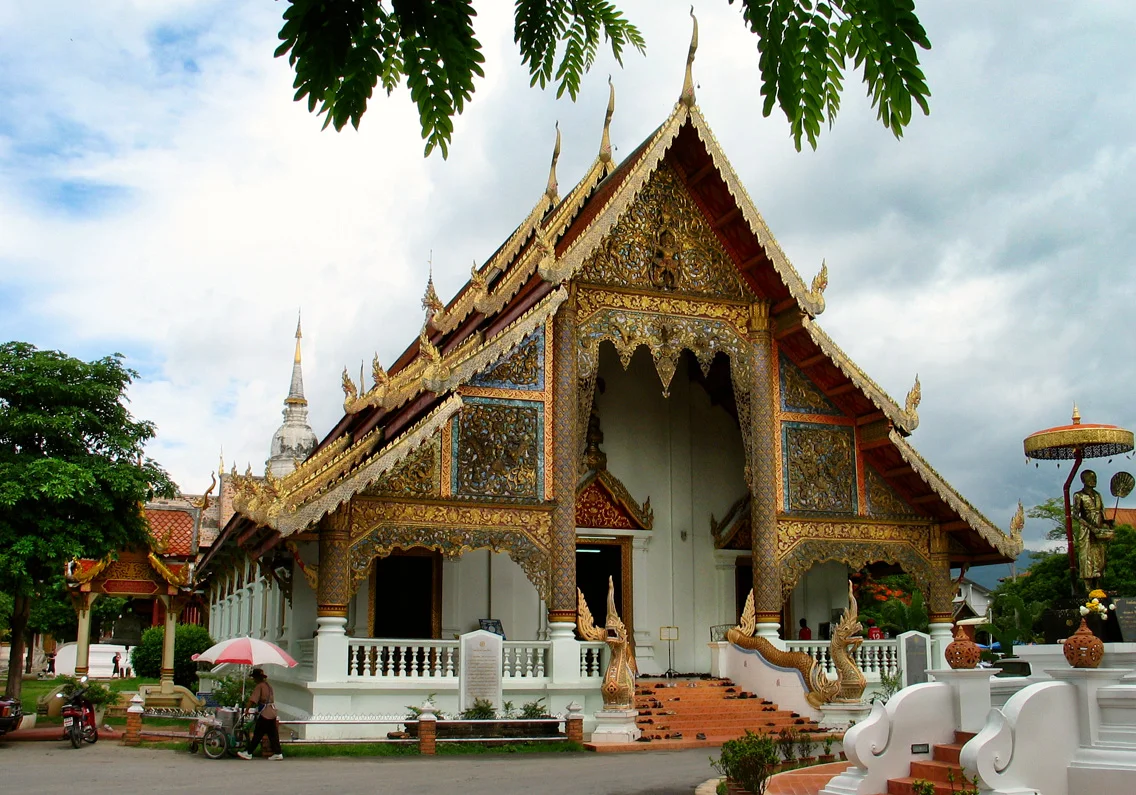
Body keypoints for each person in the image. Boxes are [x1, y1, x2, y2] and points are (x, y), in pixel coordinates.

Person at [1071, 469, 1114, 592]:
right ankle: (1088, 586)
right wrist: (1090, 527)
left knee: (1100, 556)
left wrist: (1107, 522)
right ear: (1084, 480)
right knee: (1086, 556)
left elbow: (1101, 512)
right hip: (1086, 530)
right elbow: (1075, 515)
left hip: (1098, 529)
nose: (1094, 481)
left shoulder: (1098, 495)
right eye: (1091, 478)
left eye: (1095, 478)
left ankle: (1098, 584)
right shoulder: (1079, 495)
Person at [237, 668, 283, 761]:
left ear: (257, 677)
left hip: (265, 714)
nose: (254, 679)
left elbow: (253, 699)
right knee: (273, 734)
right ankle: (278, 753)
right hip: (272, 712)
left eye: (254, 677)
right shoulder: (269, 686)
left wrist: (246, 710)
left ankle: (248, 752)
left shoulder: (259, 686)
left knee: (258, 734)